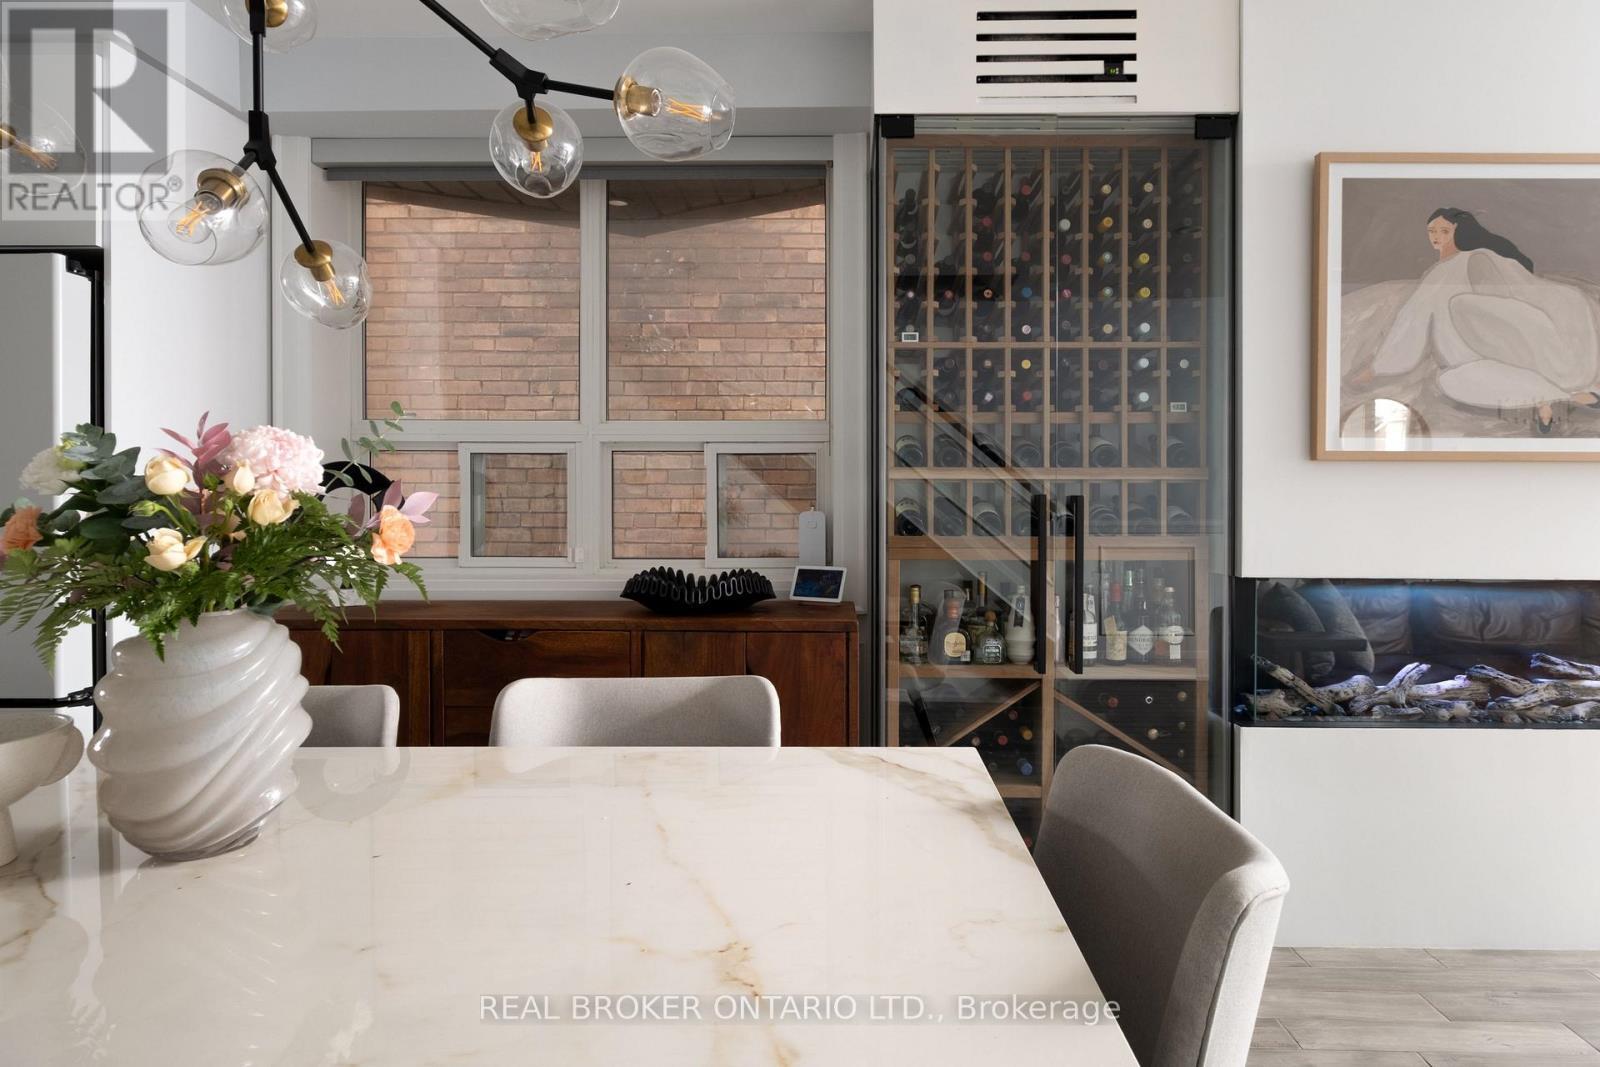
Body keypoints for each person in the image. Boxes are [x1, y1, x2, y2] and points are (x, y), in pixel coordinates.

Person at [1360, 207, 1600, 432]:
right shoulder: (1457, 265)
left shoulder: (1474, 259)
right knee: (1453, 380)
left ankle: (1551, 400)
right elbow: (1414, 319)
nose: (1436, 237)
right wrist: (1379, 366)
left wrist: (1378, 368)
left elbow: (1415, 317)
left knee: (1458, 377)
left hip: (1484, 345)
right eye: (1431, 231)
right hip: (1469, 359)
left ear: (1458, 231)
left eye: (1444, 231)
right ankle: (1560, 398)